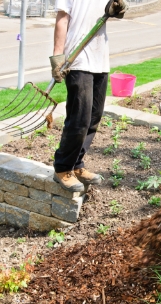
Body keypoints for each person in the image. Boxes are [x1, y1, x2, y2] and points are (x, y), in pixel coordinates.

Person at [50, 0, 127, 192]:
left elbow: (114, 10)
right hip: (78, 60)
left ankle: (76, 164)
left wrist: (118, 8)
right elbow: (62, 18)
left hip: (100, 58)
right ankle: (62, 168)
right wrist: (57, 56)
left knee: (94, 116)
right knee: (80, 118)